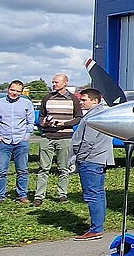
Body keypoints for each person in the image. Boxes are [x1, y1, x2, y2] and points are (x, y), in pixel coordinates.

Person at [71, 87, 112, 239]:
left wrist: (79, 158)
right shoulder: (101, 114)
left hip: (91, 160)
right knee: (99, 193)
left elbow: (87, 141)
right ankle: (98, 226)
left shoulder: (94, 116)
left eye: (84, 100)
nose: (81, 102)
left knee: (93, 195)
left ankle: (96, 229)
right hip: (99, 159)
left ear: (95, 101)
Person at [34, 73, 79, 206]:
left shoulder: (73, 99)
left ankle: (62, 194)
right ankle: (39, 196)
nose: (54, 84)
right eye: (53, 82)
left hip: (65, 138)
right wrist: (44, 123)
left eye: (56, 82)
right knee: (43, 168)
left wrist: (65, 124)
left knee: (63, 168)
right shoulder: (47, 98)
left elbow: (78, 117)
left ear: (65, 83)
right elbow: (41, 116)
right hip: (47, 136)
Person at [0, 80, 36, 203]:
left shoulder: (27, 103)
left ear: (22, 92)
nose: (14, 93)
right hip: (3, 141)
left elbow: (30, 122)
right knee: (1, 170)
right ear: (8, 89)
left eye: (18, 91)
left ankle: (22, 195)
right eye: (12, 90)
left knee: (22, 170)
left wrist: (27, 135)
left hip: (21, 140)